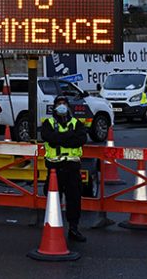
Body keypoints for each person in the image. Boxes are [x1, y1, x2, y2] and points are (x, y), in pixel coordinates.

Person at [40, 94, 88, 242]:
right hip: (54, 169)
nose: (62, 106)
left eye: (64, 103)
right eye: (59, 103)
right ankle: (53, 227)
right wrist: (68, 136)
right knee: (53, 200)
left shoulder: (76, 123)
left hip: (72, 167)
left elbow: (80, 140)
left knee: (74, 200)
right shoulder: (48, 123)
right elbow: (49, 138)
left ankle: (74, 228)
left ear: (68, 106)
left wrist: (60, 139)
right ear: (54, 107)